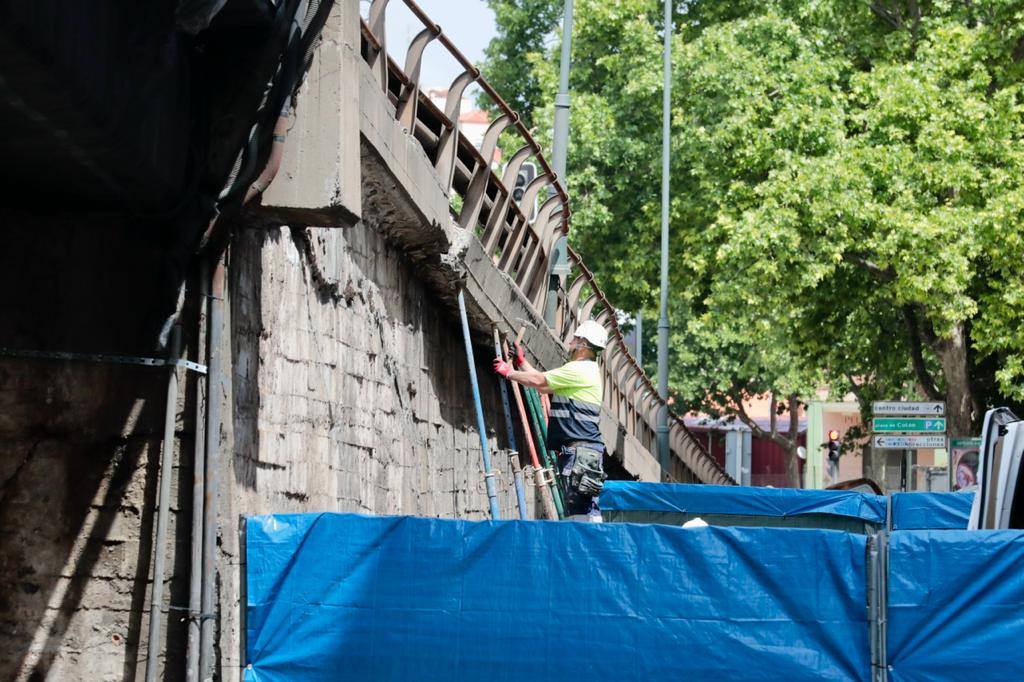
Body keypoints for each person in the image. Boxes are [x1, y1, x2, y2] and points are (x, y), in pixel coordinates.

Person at [493, 320, 609, 519]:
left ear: (583, 345)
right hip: (582, 451)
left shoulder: (579, 369)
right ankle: (587, 545)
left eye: (575, 339)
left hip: (580, 453)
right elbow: (543, 386)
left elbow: (540, 381)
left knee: (581, 513)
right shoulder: (584, 370)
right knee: (585, 510)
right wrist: (523, 363)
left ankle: (584, 548)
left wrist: (509, 372)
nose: (571, 343)